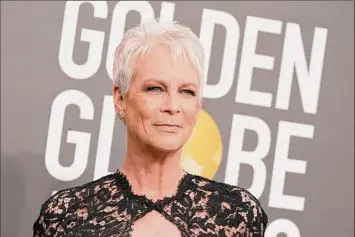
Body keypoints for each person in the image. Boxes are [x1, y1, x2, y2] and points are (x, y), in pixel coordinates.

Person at [33, 19, 268, 237]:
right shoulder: (65, 217)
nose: (173, 106)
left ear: (198, 105)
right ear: (120, 98)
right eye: (155, 89)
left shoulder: (238, 214)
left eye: (187, 92)